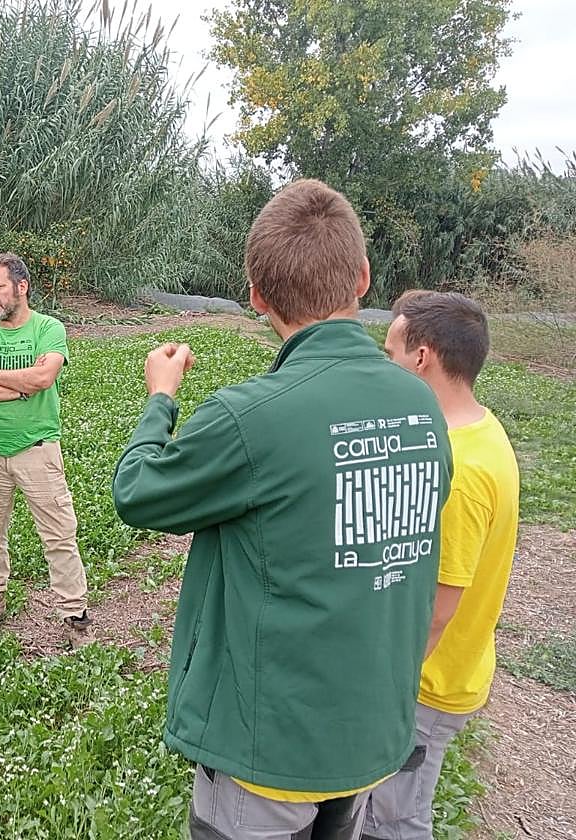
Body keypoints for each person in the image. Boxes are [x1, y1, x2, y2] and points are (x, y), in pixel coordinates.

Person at [111, 179, 453, 840]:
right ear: (362, 276)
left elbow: (137, 490)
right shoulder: (423, 408)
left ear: (257, 296)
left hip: (272, 747)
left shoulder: (250, 416)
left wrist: (160, 397)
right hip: (367, 731)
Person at [363, 291, 520, 840]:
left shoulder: (461, 468)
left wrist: (384, 686)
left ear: (422, 357)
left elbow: (437, 608)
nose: (387, 364)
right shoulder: (481, 428)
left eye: (391, 352)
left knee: (396, 818)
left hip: (426, 683)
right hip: (456, 666)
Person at [0, 252, 93, 649]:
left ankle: (74, 614)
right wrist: (20, 386)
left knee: (59, 535)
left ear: (21, 287)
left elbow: (44, 376)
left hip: (37, 450)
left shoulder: (49, 329)